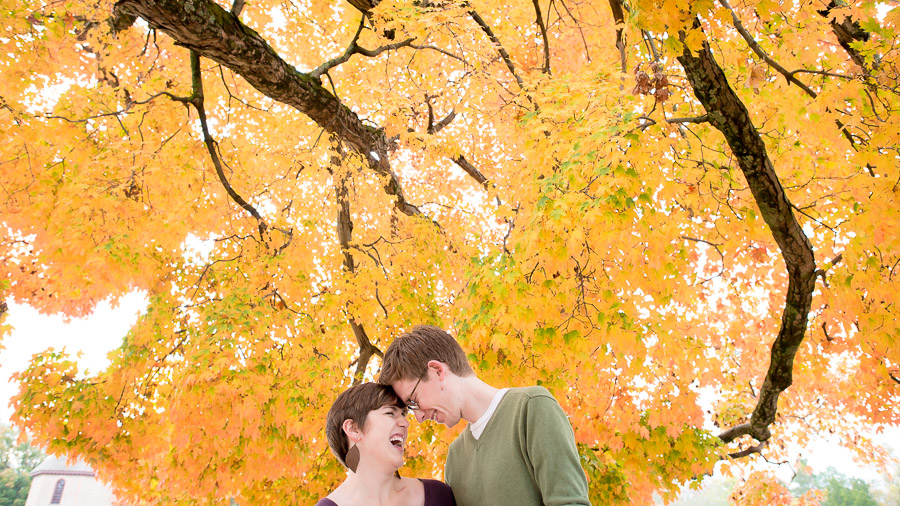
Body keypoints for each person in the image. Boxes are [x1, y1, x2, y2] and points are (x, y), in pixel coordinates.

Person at [379, 325, 591, 506]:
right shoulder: (455, 458)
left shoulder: (530, 408)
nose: (419, 417)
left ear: (437, 371)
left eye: (413, 400)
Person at [316, 382, 456, 506]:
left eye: (403, 415)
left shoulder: (438, 496)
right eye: (390, 413)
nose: (405, 423)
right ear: (353, 429)